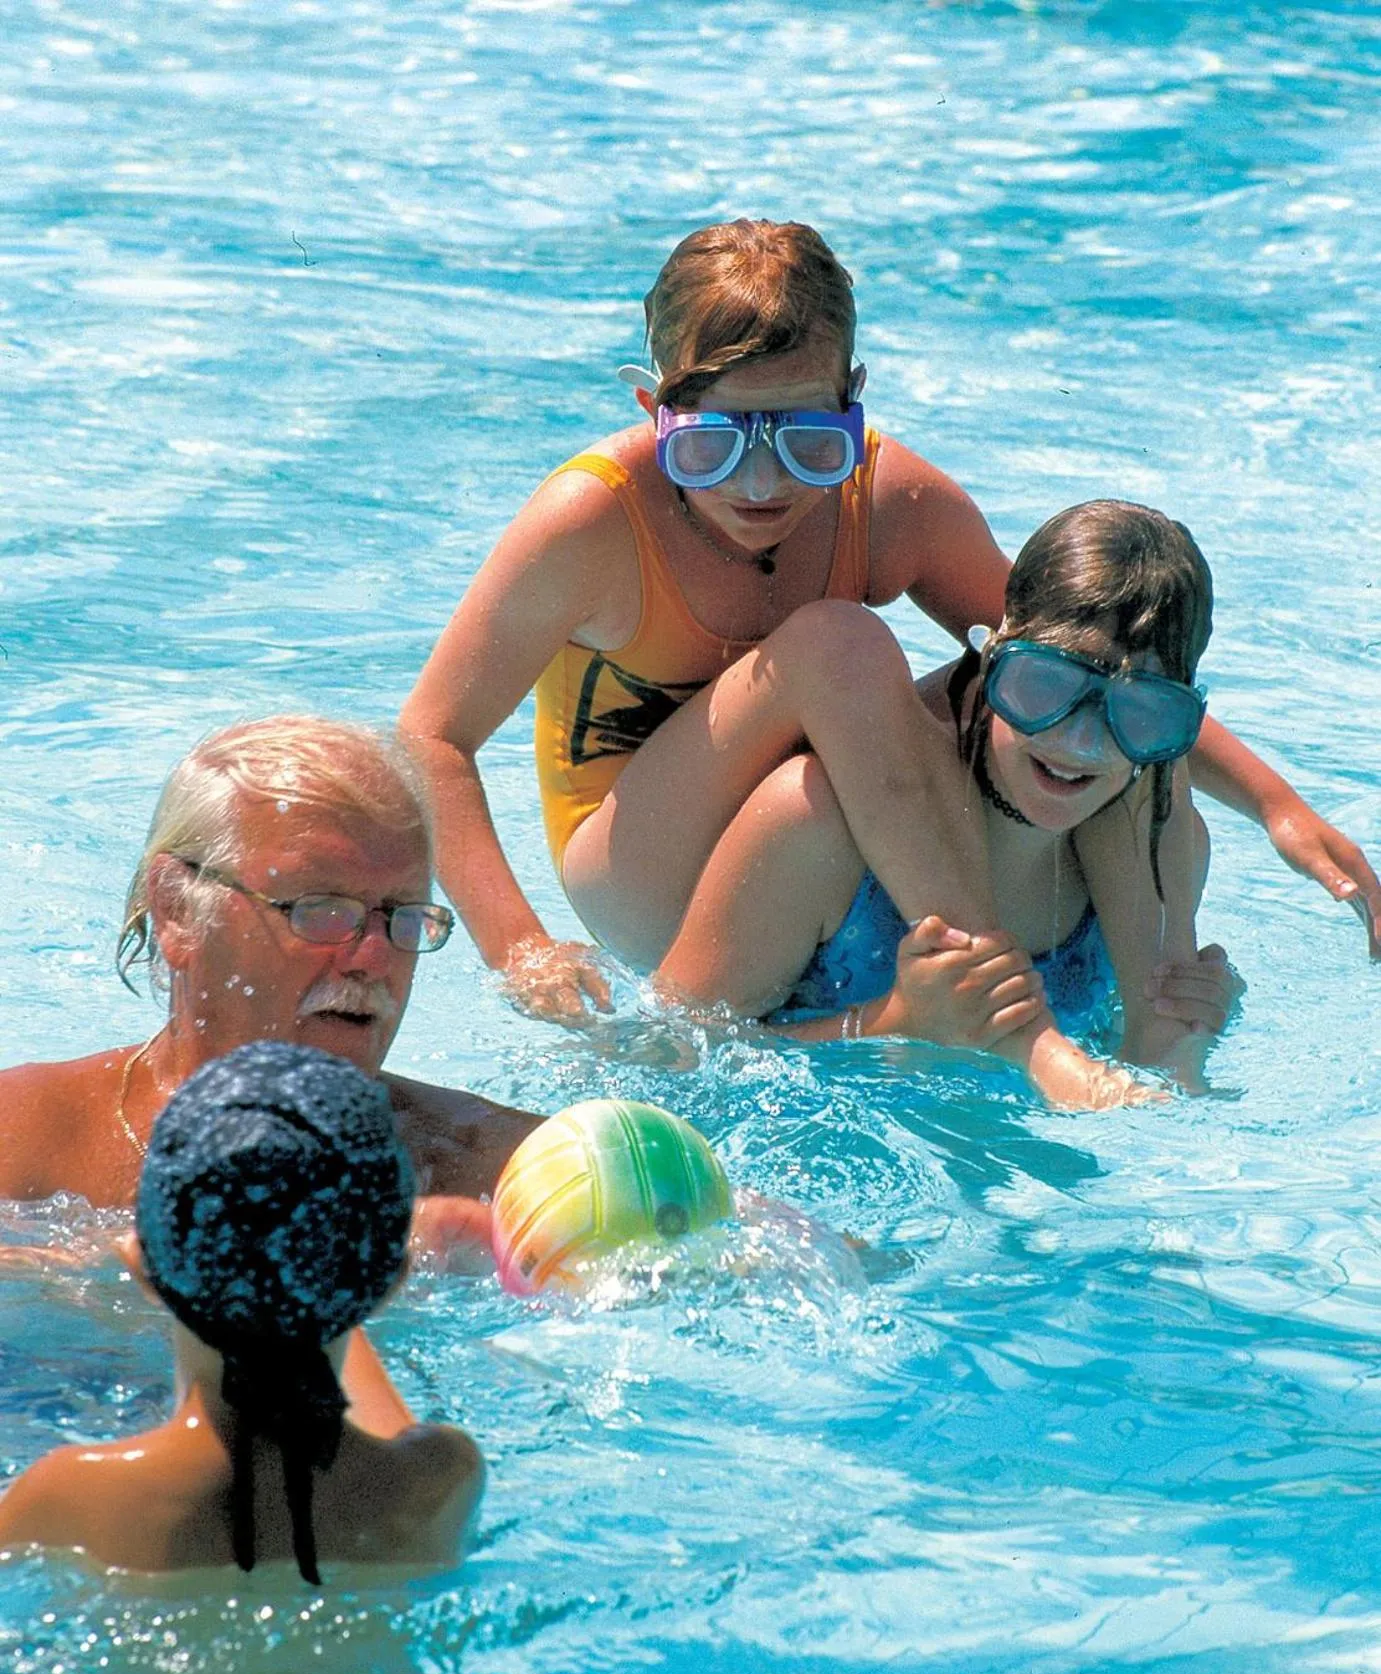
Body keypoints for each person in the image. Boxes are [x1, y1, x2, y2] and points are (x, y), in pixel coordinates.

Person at [399, 217, 1379, 1065]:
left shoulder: (889, 501)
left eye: (809, 444)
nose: (759, 486)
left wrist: (1274, 806)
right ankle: (1013, 1019)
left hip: (824, 819)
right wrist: (517, 947)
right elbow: (429, 737)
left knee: (1069, 693)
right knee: (839, 644)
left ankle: (1155, 1014)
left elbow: (1073, 663)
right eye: (711, 445)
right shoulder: (593, 523)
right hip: (648, 868)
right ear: (654, 412)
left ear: (852, 401)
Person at [658, 501, 1231, 1102]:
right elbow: (666, 1052)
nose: (1080, 743)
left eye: (1139, 712)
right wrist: (893, 1025)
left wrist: (1197, 1024)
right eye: (1047, 685)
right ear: (995, 651)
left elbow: (1134, 1082)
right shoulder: (816, 822)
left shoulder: (1160, 850)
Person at [0, 716, 539, 1254]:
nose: (374, 957)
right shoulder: (22, 1141)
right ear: (178, 910)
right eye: (323, 908)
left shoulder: (495, 1171)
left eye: (403, 915)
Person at [0, 1041, 483, 1581]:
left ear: (143, 1265)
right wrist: (356, 1258)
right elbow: (377, 1409)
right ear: (391, 1279)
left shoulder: (72, 1494)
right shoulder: (442, 1477)